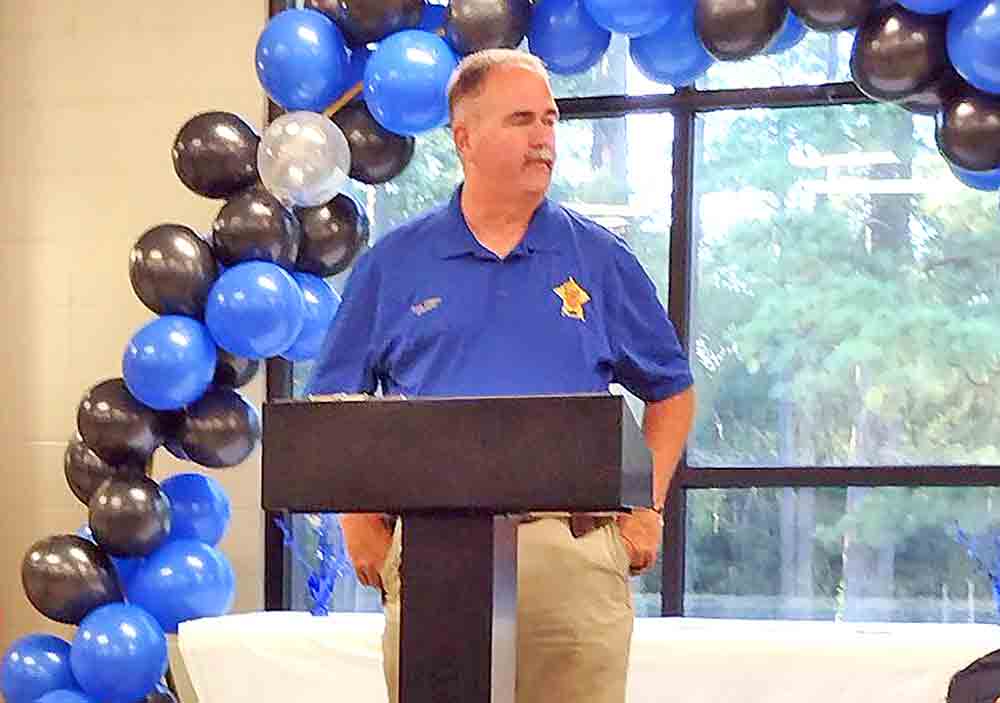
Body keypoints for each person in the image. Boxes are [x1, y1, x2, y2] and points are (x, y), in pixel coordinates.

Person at [306, 48, 696, 703]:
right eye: (521, 120)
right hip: (435, 553)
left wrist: (646, 507)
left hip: (573, 558)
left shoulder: (600, 259)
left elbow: (672, 391)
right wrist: (357, 521)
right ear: (464, 137)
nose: (544, 137)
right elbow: (334, 404)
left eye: (550, 120)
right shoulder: (393, 264)